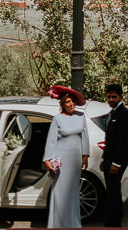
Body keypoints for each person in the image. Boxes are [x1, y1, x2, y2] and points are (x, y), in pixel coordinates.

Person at [43, 89, 89, 228]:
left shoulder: (81, 116)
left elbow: (85, 137)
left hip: (75, 162)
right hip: (61, 161)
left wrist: (85, 156)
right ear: (62, 104)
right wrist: (47, 160)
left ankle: (74, 224)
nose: (71, 104)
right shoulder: (57, 118)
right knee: (60, 192)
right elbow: (51, 141)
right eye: (68, 102)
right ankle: (58, 224)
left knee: (74, 193)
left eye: (72, 101)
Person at [100, 83, 128, 227]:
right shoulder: (112, 113)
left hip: (117, 160)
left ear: (120, 97)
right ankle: (111, 221)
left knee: (114, 192)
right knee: (111, 191)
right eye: (109, 97)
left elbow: (121, 140)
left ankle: (114, 223)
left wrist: (116, 163)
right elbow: (109, 140)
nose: (111, 99)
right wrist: (103, 159)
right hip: (109, 158)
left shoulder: (124, 113)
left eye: (114, 97)